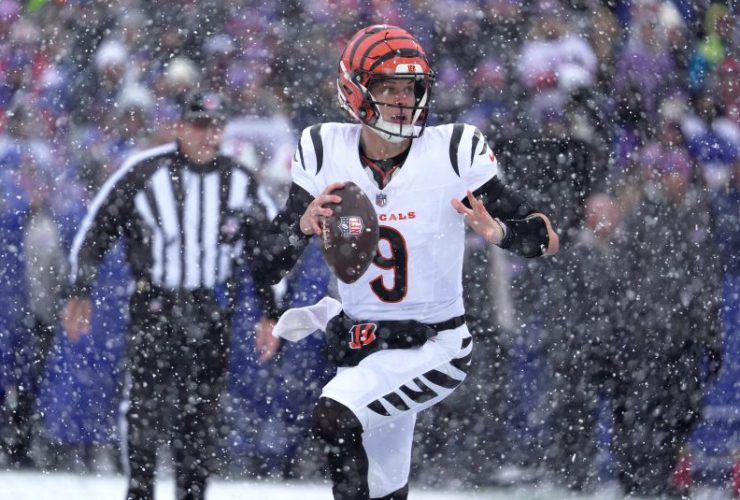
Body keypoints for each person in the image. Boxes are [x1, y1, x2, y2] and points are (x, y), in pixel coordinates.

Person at [255, 25, 559, 500]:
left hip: (434, 344)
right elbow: (265, 266)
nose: (403, 100)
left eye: (411, 87)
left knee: (335, 414)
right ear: (355, 89)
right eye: (388, 87)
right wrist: (302, 227)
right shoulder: (323, 149)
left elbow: (546, 237)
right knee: (382, 489)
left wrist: (500, 232)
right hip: (364, 345)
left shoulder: (453, 152)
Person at [62, 89, 280, 500]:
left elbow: (267, 252)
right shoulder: (145, 173)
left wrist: (272, 313)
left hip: (212, 311)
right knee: (144, 407)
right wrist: (80, 290)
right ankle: (140, 491)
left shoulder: (240, 181)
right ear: (180, 127)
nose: (208, 135)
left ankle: (192, 493)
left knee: (201, 415)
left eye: (216, 126)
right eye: (200, 125)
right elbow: (98, 228)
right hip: (156, 306)